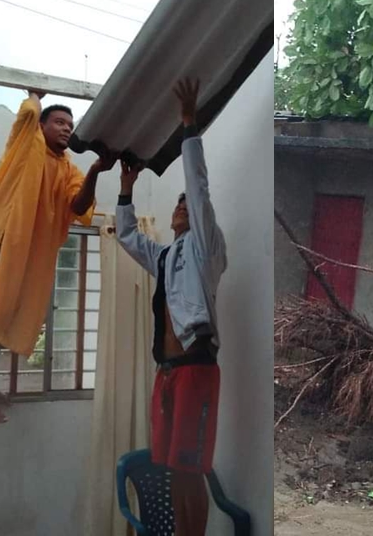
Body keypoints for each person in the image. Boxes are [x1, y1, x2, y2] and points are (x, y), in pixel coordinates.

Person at [0, 89, 117, 423]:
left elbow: (78, 207)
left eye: (70, 125)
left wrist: (95, 171)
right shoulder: (26, 144)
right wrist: (34, 95)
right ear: (43, 125)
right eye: (59, 122)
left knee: (14, 311)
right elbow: (29, 115)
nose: (66, 128)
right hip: (5, 236)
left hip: (32, 253)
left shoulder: (69, 170)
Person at [115, 77, 226, 536]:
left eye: (185, 204)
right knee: (172, 467)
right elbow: (126, 236)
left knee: (191, 468)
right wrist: (126, 187)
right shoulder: (165, 256)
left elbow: (198, 188)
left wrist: (188, 126)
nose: (182, 205)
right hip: (168, 372)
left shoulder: (206, 247)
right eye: (177, 203)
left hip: (196, 369)